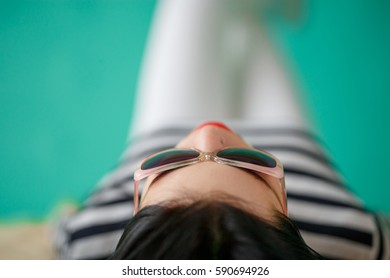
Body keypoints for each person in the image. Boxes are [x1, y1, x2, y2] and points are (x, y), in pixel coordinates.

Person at [54, 0, 390, 259]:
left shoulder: (88, 242)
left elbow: (60, 228)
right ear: (284, 207)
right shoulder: (358, 240)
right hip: (289, 142)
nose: (208, 133)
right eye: (246, 161)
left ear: (136, 205)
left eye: (172, 161)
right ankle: (260, 10)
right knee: (248, 31)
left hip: (166, 128)